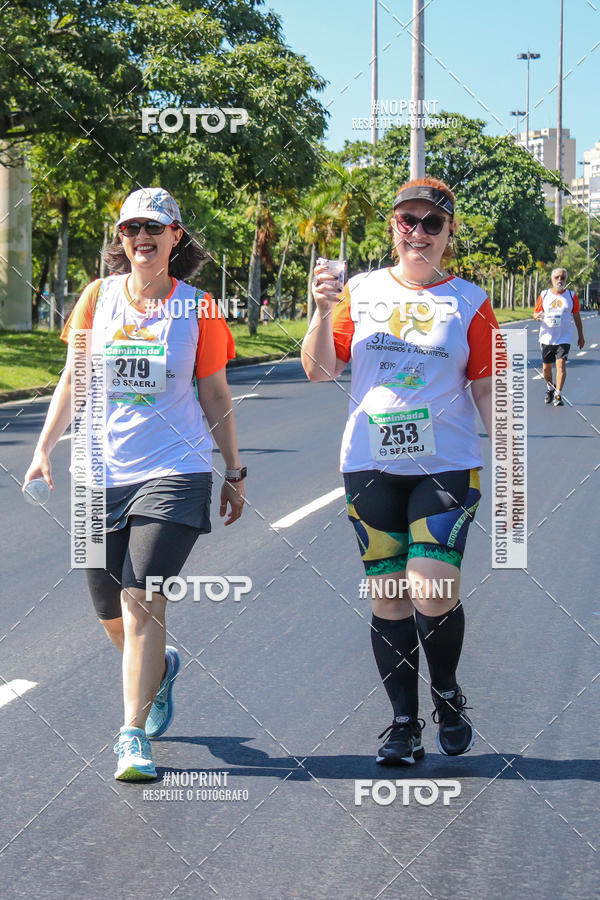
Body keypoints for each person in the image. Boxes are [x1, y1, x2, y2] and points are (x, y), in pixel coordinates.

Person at [23, 187, 247, 781]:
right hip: (99, 469)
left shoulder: (199, 308)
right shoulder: (96, 299)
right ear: (119, 240)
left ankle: (131, 735)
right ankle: (161, 667)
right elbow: (73, 377)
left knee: (141, 592)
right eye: (130, 229)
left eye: (154, 227)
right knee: (106, 604)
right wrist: (44, 449)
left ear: (176, 236)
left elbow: (215, 392)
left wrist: (233, 469)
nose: (141, 238)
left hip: (176, 468)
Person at [301, 177, 497, 765]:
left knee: (431, 588)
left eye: (431, 224)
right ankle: (403, 724)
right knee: (389, 595)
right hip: (369, 464)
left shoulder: (471, 301)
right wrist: (319, 311)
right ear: (392, 228)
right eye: (407, 221)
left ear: (449, 234)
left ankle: (447, 694)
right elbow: (318, 370)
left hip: (447, 465)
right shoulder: (357, 293)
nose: (418, 233)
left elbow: (488, 390)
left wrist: (511, 466)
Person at [533, 267, 585, 406]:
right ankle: (550, 388)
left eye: (562, 277)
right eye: (557, 277)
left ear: (566, 279)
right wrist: (537, 317)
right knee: (546, 369)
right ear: (552, 279)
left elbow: (577, 317)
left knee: (561, 365)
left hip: (564, 337)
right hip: (546, 338)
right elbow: (536, 313)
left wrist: (581, 336)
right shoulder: (544, 295)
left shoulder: (571, 295)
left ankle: (558, 394)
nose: (560, 280)